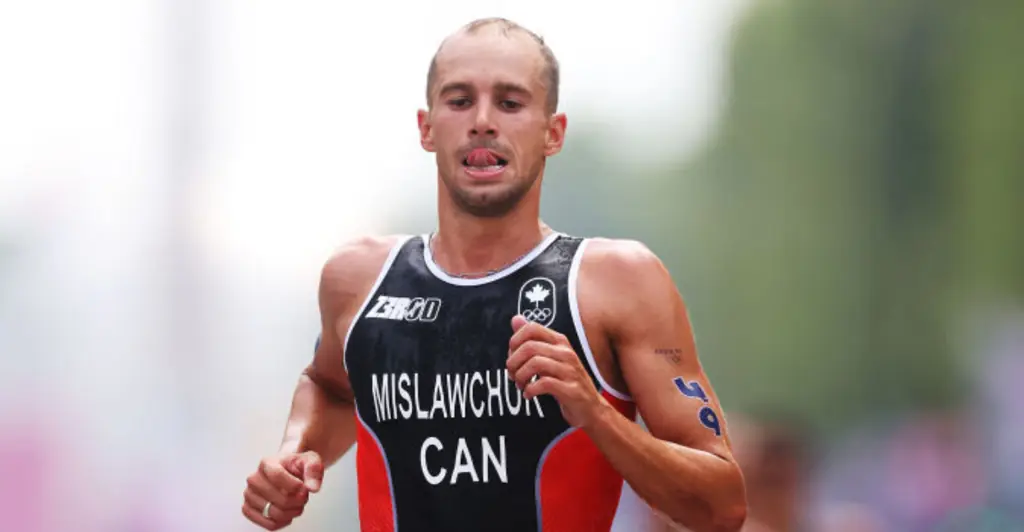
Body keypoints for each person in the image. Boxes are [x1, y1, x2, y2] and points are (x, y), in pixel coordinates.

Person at [241, 17, 747, 532]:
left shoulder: (616, 283)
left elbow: (721, 507)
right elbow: (330, 386)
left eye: (510, 103)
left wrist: (595, 413)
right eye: (460, 101)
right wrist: (295, 455)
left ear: (553, 133)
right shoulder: (358, 280)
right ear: (426, 127)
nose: (483, 121)